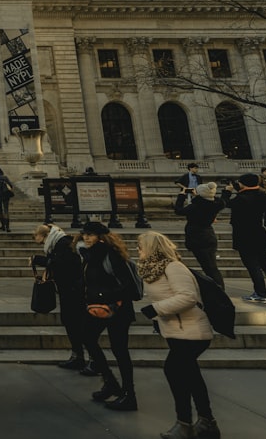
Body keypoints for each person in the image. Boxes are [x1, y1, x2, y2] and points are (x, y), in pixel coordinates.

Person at [136, 231, 219, 439]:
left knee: (174, 371)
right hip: (177, 331)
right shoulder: (153, 270)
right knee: (190, 375)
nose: (138, 250)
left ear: (153, 248)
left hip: (191, 331)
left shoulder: (174, 267)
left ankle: (185, 423)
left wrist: (155, 309)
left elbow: (188, 297)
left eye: (141, 246)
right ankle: (205, 422)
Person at [78, 221, 139, 411]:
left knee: (119, 350)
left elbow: (127, 285)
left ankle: (129, 394)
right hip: (98, 307)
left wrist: (107, 298)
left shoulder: (111, 255)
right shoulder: (89, 255)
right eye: (85, 234)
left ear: (101, 237)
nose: (86, 237)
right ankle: (110, 381)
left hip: (118, 309)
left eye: (91, 234)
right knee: (86, 337)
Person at [222, 173, 266, 304]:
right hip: (259, 233)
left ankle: (261, 293)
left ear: (243, 184)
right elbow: (249, 193)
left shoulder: (241, 198)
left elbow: (225, 203)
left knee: (252, 265)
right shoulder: (262, 195)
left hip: (244, 235)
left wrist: (226, 191)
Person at [32, 224, 86, 371]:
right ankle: (78, 355)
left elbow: (62, 264)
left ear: (44, 236)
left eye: (38, 238)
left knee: (73, 322)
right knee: (69, 321)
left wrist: (39, 260)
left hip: (73, 290)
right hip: (67, 289)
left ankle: (81, 357)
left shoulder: (63, 244)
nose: (42, 243)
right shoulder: (57, 243)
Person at [174, 183, 225, 289]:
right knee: (212, 266)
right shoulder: (215, 204)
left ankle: (218, 289)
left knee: (209, 267)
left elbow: (178, 210)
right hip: (209, 235)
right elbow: (214, 200)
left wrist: (181, 196)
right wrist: (201, 195)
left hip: (198, 238)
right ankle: (218, 287)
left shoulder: (195, 206)